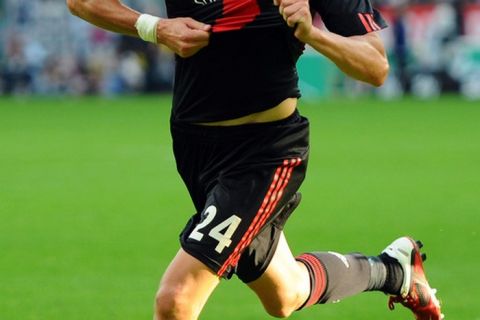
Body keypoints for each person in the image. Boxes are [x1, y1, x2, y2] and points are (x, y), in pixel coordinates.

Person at [66, 0, 444, 319]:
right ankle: (394, 270)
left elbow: (376, 66)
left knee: (176, 300)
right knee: (285, 295)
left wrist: (314, 34)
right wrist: (155, 27)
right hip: (194, 144)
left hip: (266, 154)